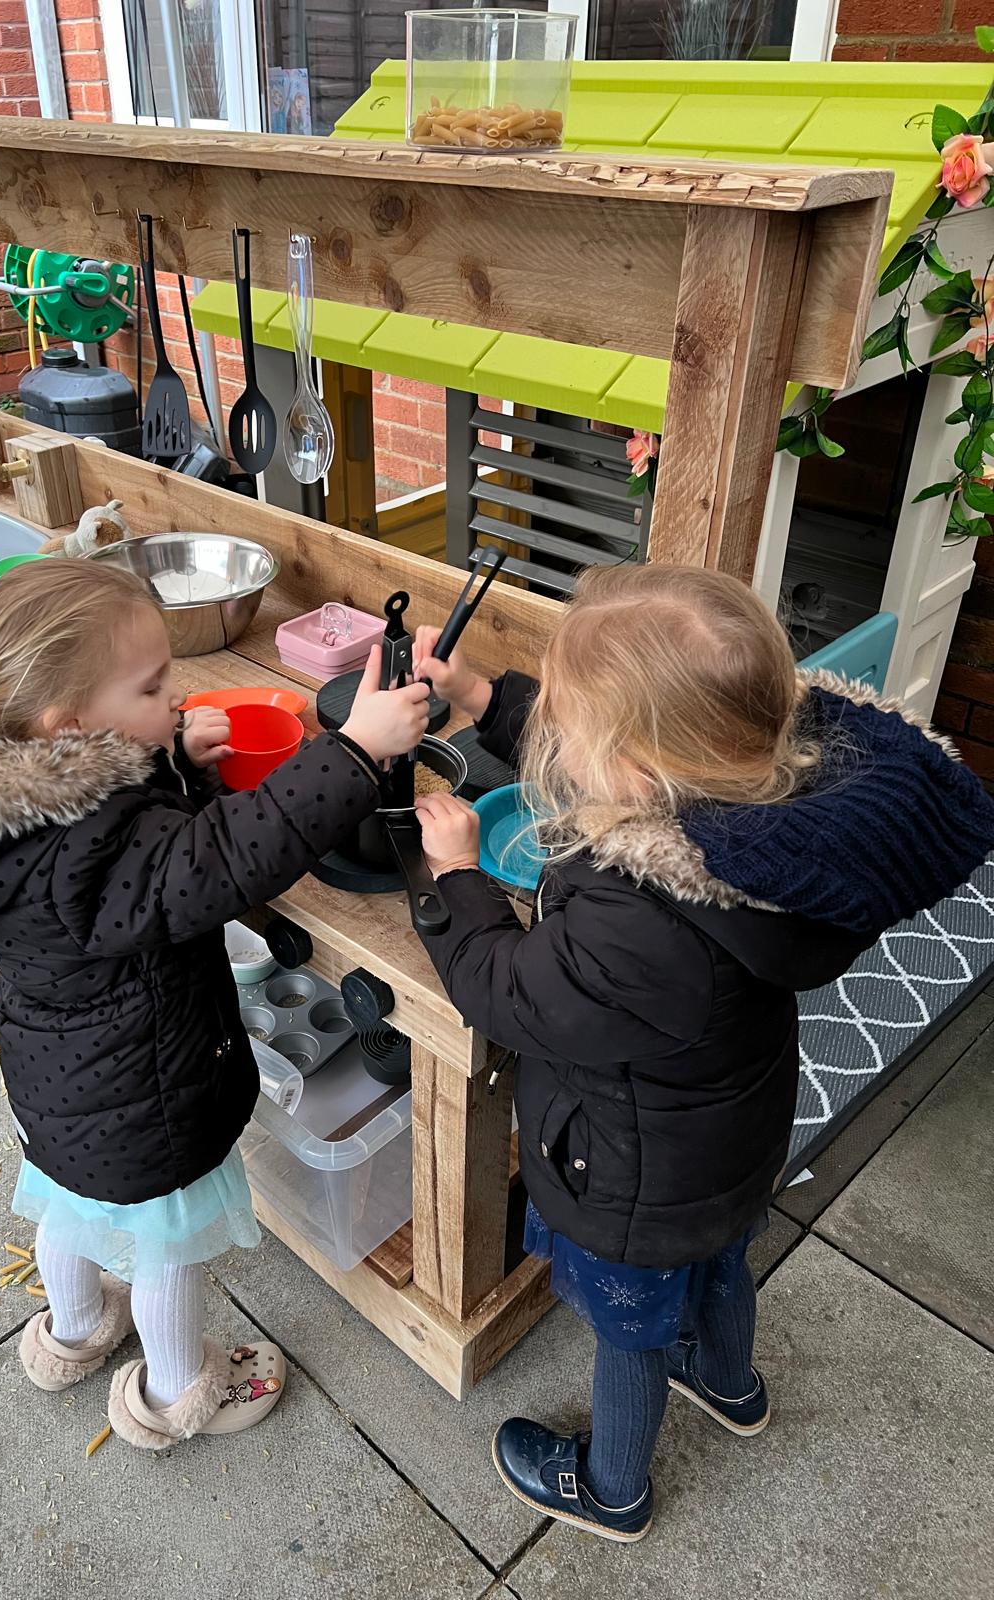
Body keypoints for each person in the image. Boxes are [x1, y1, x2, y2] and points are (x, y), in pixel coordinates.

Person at [410, 562, 994, 1542]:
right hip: (733, 1139)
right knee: (722, 1265)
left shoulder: (641, 917)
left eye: (562, 714)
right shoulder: (768, 826)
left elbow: (509, 993)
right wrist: (481, 697)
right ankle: (730, 1383)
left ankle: (613, 1487)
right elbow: (615, 755)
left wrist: (458, 878)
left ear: (634, 776)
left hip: (633, 1181)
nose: (551, 728)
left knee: (630, 1332)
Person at [0, 558, 429, 1449]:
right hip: (148, 1086)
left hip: (53, 1073)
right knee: (168, 1245)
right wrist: (356, 751)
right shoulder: (96, 843)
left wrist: (167, 752)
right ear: (69, 726)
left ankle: (72, 1331)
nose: (173, 698)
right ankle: (179, 1393)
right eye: (153, 689)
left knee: (68, 1203)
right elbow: (224, 859)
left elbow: (116, 821)